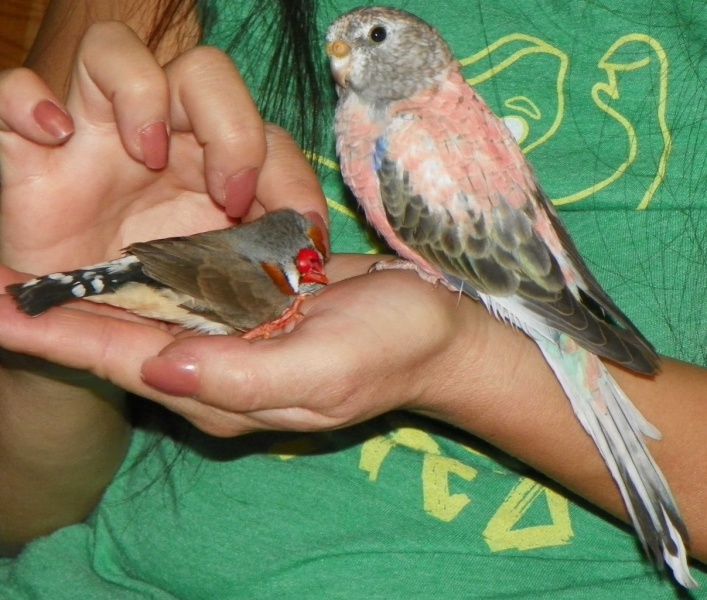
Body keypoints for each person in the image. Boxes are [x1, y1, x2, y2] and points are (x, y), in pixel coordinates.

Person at [1, 0, 706, 597]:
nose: (343, 60)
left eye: (371, 39)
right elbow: (23, 511)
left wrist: (462, 356)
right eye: (338, 47)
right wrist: (71, 290)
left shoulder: (410, 135)